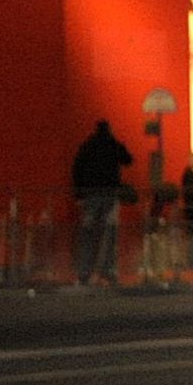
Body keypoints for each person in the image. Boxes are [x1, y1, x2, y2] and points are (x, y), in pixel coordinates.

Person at [70, 119, 133, 282]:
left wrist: (79, 194)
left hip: (90, 195)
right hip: (110, 195)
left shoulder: (88, 145)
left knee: (88, 234)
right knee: (110, 233)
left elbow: (77, 169)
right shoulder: (113, 144)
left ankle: (85, 272)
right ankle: (108, 270)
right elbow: (128, 160)